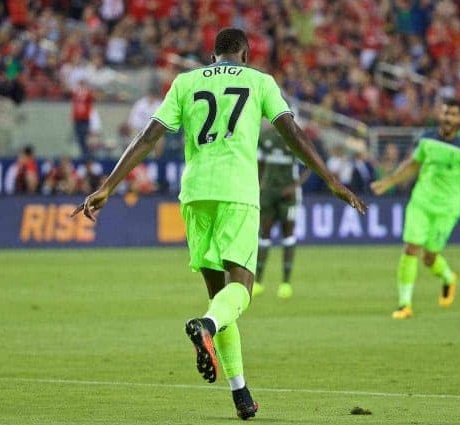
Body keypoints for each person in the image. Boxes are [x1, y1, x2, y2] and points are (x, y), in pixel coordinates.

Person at [72, 28, 366, 420]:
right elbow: (291, 132)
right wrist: (330, 180)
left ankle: (240, 392)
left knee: (219, 300)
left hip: (195, 195)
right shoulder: (260, 81)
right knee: (238, 293)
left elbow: (149, 136)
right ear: (244, 54)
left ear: (213, 56)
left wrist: (108, 186)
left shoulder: (185, 81)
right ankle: (205, 326)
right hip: (238, 193)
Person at [371, 99, 460, 319]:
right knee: (411, 248)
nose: (448, 117)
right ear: (440, 115)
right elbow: (413, 164)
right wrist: (389, 182)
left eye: (454, 114)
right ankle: (404, 305)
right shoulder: (427, 138)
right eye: (446, 112)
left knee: (429, 257)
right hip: (421, 202)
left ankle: (449, 277)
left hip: (447, 209)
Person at [253, 124, 311, 299]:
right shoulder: (265, 137)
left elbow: (310, 165)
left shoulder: (293, 138)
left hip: (289, 195)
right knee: (264, 234)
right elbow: (259, 162)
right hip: (268, 193)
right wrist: (260, 184)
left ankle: (286, 283)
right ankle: (258, 282)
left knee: (288, 235)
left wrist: (293, 187)